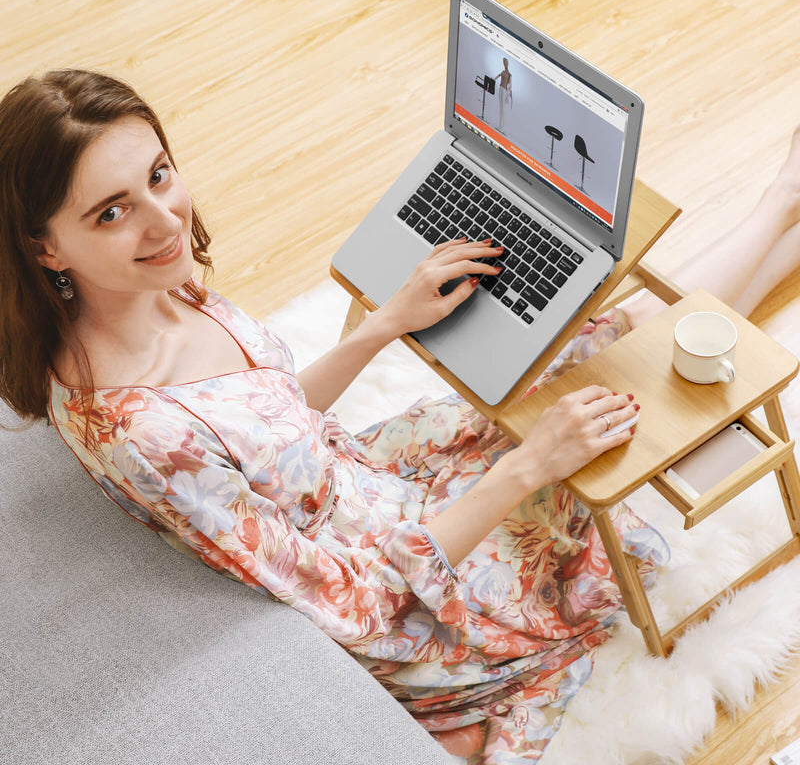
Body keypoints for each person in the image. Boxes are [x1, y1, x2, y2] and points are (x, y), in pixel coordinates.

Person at [0, 69, 798, 764]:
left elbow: (273, 421)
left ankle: (775, 217)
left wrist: (388, 320)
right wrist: (529, 466)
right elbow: (357, 603)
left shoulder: (141, 291)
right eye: (111, 211)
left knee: (576, 350)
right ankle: (780, 208)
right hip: (408, 594)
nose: (166, 221)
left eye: (160, 175)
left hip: (366, 481)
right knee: (598, 406)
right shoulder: (147, 436)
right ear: (45, 249)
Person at [494, 57, 513, 134]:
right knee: (500, 107)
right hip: (500, 89)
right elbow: (497, 76)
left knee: (503, 109)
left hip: (505, 90)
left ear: (507, 64)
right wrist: (493, 79)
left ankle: (502, 127)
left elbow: (510, 85)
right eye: (503, 62)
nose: (504, 64)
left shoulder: (509, 75)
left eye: (505, 62)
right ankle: (500, 126)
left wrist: (509, 94)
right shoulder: (502, 72)